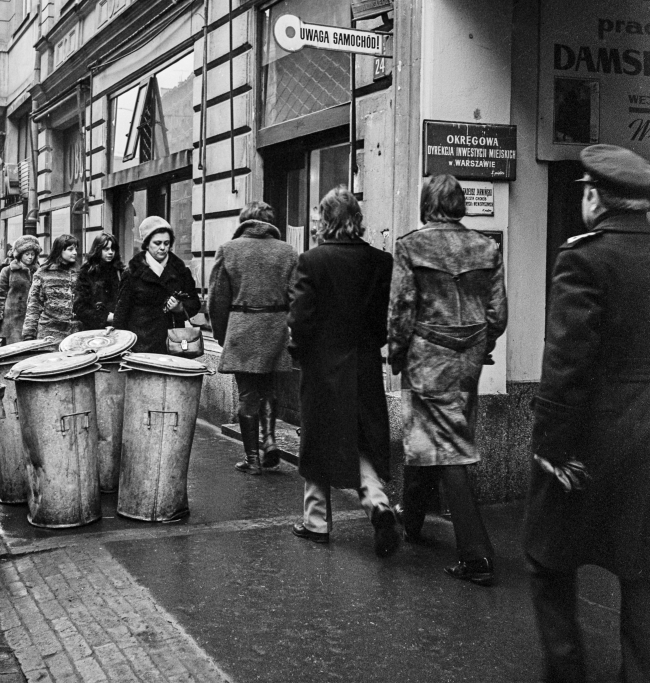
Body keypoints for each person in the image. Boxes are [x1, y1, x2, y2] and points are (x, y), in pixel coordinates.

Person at [524, 144, 650, 683]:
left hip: (593, 437)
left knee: (547, 554)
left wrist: (550, 447)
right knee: (643, 568)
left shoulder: (583, 257)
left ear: (595, 199)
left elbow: (568, 362)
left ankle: (566, 670)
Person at [387, 174, 507, 586]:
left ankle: (477, 556)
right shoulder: (486, 247)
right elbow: (498, 314)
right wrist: (480, 343)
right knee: (428, 435)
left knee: (448, 446)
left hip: (428, 355)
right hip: (469, 358)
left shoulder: (410, 246)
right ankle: (413, 522)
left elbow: (402, 309)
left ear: (426, 203)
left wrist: (397, 355)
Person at [288, 186, 399, 557]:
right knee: (361, 437)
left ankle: (316, 522)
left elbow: (300, 319)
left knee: (318, 439)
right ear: (356, 220)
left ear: (326, 220)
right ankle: (378, 503)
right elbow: (383, 319)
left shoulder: (311, 260)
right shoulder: (380, 262)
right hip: (364, 363)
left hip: (321, 365)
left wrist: (299, 354)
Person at [208, 201, 298, 474]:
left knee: (247, 394)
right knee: (269, 389)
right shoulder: (288, 252)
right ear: (270, 222)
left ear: (244, 221)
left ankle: (252, 459)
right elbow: (297, 297)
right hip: (275, 328)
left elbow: (217, 299)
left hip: (242, 328)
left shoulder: (229, 249)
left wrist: (223, 335)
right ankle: (269, 441)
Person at [113, 216, 200, 353]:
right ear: (147, 244)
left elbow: (194, 302)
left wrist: (180, 308)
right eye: (157, 243)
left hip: (172, 344)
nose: (163, 248)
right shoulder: (132, 274)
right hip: (140, 346)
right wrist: (122, 347)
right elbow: (121, 314)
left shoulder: (181, 272)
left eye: (166, 243)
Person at [22, 234, 80, 345]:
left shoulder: (78, 273)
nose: (75, 252)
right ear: (59, 250)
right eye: (70, 249)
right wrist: (29, 335)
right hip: (49, 334)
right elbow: (33, 305)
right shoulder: (43, 273)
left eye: (76, 249)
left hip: (74, 335)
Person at [0, 235, 40, 344]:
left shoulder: (38, 272)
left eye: (32, 254)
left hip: (32, 319)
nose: (30, 257)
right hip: (12, 319)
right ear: (20, 255)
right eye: (27, 254)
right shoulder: (8, 271)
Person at [73, 233, 124, 331]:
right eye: (106, 249)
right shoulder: (87, 273)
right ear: (98, 250)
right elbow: (79, 307)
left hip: (117, 329)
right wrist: (104, 317)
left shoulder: (120, 272)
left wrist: (117, 318)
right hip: (93, 331)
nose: (110, 252)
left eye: (113, 249)